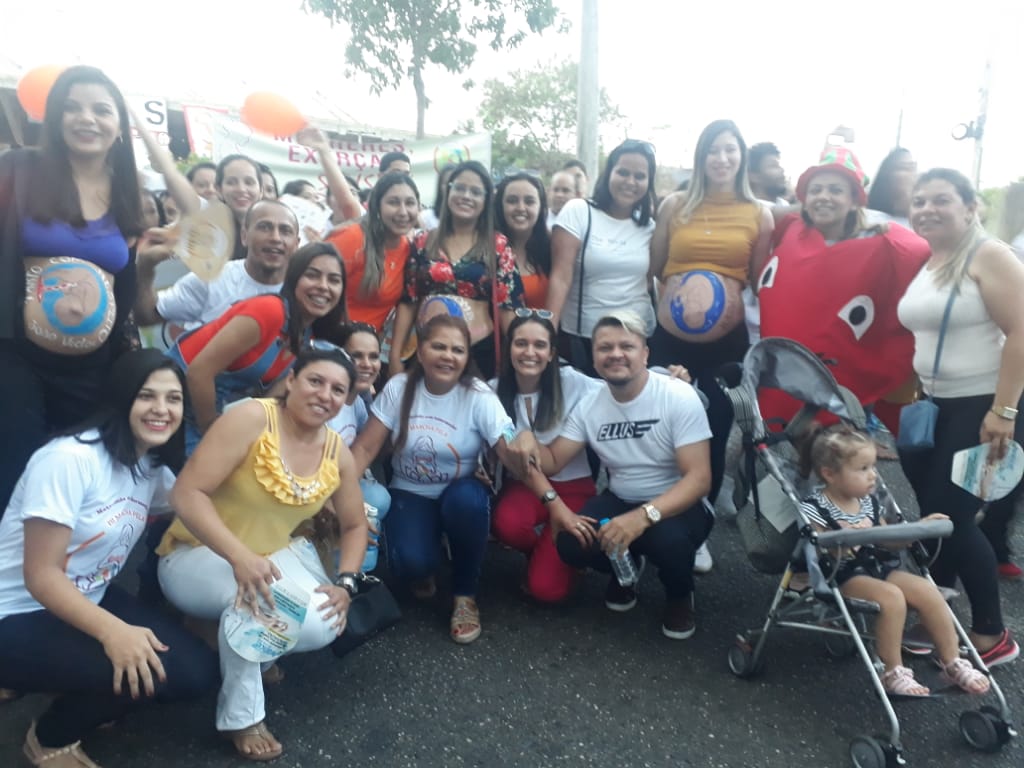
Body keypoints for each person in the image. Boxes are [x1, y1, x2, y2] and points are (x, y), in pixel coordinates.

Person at [0, 350, 218, 767]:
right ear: (120, 396)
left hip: (85, 597)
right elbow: (41, 576)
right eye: (147, 396)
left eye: (173, 399)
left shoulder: (149, 464)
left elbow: (202, 510)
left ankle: (69, 679)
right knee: (142, 669)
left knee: (193, 673)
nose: (161, 409)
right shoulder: (69, 459)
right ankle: (48, 738)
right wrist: (113, 634)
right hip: (14, 612)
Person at [157, 347, 367, 761]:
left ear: (345, 401)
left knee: (323, 621)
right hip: (195, 553)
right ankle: (242, 717)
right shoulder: (252, 418)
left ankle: (224, 634)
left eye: (338, 389)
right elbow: (186, 492)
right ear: (291, 381)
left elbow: (356, 524)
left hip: (268, 555)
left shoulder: (335, 450)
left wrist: (346, 581)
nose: (325, 394)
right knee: (260, 606)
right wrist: (238, 557)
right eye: (315, 381)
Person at [0, 65, 146, 515]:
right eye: (73, 108)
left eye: (101, 110)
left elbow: (125, 285)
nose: (87, 118)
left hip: (91, 367)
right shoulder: (19, 169)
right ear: (56, 119)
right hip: (16, 354)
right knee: (15, 472)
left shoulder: (126, 191)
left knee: (71, 477)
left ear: (119, 127)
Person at [897, 168, 1024, 666]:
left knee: (949, 519)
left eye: (941, 200)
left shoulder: (989, 254)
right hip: (934, 405)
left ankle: (993, 634)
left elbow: (1021, 330)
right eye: (919, 200)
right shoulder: (934, 259)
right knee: (934, 514)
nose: (927, 208)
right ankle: (938, 609)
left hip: (982, 407)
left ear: (972, 208)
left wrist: (1004, 410)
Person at [526, 311, 714, 639]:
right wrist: (521, 436)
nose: (615, 354)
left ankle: (679, 594)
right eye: (604, 347)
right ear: (595, 360)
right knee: (572, 540)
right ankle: (626, 566)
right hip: (621, 498)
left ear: (645, 353)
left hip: (678, 504)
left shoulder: (676, 395)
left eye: (626, 346)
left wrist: (642, 517)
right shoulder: (589, 405)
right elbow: (553, 460)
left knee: (668, 542)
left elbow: (699, 479)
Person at [350, 314, 536, 644]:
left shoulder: (478, 394)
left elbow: (508, 449)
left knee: (466, 501)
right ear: (420, 352)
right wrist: (331, 495)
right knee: (411, 565)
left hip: (460, 491)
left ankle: (465, 595)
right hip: (410, 491)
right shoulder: (399, 387)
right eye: (438, 347)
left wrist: (523, 444)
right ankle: (428, 558)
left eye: (457, 350)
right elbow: (364, 449)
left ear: (467, 357)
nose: (448, 356)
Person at [797, 424, 990, 696]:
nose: (873, 475)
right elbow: (817, 548)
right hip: (845, 574)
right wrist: (845, 535)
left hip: (880, 566)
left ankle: (953, 661)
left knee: (927, 590)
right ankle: (892, 671)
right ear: (829, 474)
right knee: (892, 598)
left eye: (873, 467)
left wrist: (917, 529)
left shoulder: (869, 502)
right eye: (863, 469)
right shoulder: (814, 506)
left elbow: (888, 540)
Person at [757, 148, 929, 436]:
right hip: (785, 373)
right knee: (788, 449)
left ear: (853, 201)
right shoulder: (791, 230)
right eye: (816, 190)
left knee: (841, 458)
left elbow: (928, 255)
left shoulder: (884, 244)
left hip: (846, 381)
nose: (824, 196)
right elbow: (766, 212)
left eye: (836, 190)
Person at [649, 120, 773, 507]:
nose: (721, 158)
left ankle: (699, 524)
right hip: (669, 340)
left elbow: (756, 279)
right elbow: (653, 268)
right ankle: (655, 508)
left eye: (729, 150)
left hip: (727, 344)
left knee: (716, 428)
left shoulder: (758, 213)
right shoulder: (675, 206)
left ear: (741, 157)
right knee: (660, 426)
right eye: (713, 150)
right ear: (701, 158)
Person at [167, 242, 348, 452]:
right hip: (175, 404)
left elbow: (270, 400)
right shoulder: (269, 311)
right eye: (313, 275)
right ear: (294, 278)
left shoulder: (307, 336)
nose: (323, 286)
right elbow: (199, 373)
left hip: (217, 417)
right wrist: (213, 437)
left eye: (334, 280)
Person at [490, 311, 601, 602]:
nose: (529, 352)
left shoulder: (574, 381)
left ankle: (563, 558)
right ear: (509, 348)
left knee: (545, 591)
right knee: (507, 524)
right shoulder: (492, 391)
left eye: (539, 345)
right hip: (526, 486)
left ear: (552, 353)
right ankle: (549, 551)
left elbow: (622, 386)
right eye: (520, 343)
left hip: (575, 486)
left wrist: (670, 374)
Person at [392, 160, 524, 380]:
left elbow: (509, 308)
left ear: (486, 201)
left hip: (479, 352)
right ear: (448, 191)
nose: (466, 196)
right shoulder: (423, 241)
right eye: (460, 188)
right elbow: (408, 301)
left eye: (475, 191)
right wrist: (395, 356)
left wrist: (516, 360)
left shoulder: (498, 246)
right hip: (425, 351)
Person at [547, 140, 658, 377]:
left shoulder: (649, 227)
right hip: (584, 338)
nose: (630, 182)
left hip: (636, 338)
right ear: (609, 173)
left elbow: (649, 280)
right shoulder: (578, 211)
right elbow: (560, 277)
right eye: (623, 172)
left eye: (640, 176)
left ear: (648, 183)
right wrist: (547, 334)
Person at [135, 199, 300, 330]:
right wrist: (145, 268)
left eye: (285, 231)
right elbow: (146, 316)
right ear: (244, 236)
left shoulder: (305, 291)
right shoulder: (211, 279)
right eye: (264, 227)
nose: (276, 238)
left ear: (297, 244)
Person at [323, 323, 391, 572]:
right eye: (357, 356)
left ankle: (351, 570)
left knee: (377, 497)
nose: (367, 364)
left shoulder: (358, 405)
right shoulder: (325, 405)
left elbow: (371, 448)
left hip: (337, 488)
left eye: (373, 356)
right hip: (311, 496)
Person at [326, 171, 420, 335]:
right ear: (377, 206)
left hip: (370, 351)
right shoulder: (353, 238)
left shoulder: (408, 248)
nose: (403, 212)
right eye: (393, 202)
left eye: (410, 203)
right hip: (332, 341)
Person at [496, 172, 551, 309]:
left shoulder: (553, 247)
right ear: (500, 206)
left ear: (541, 207)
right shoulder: (486, 249)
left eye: (529, 201)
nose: (520, 208)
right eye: (512, 201)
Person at [866, 148, 918, 227]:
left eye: (914, 167)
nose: (914, 173)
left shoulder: (923, 227)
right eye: (906, 167)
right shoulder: (867, 221)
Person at [418, 163, 456, 231]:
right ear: (439, 186)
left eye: (454, 184)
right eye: (446, 183)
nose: (450, 188)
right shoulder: (426, 217)